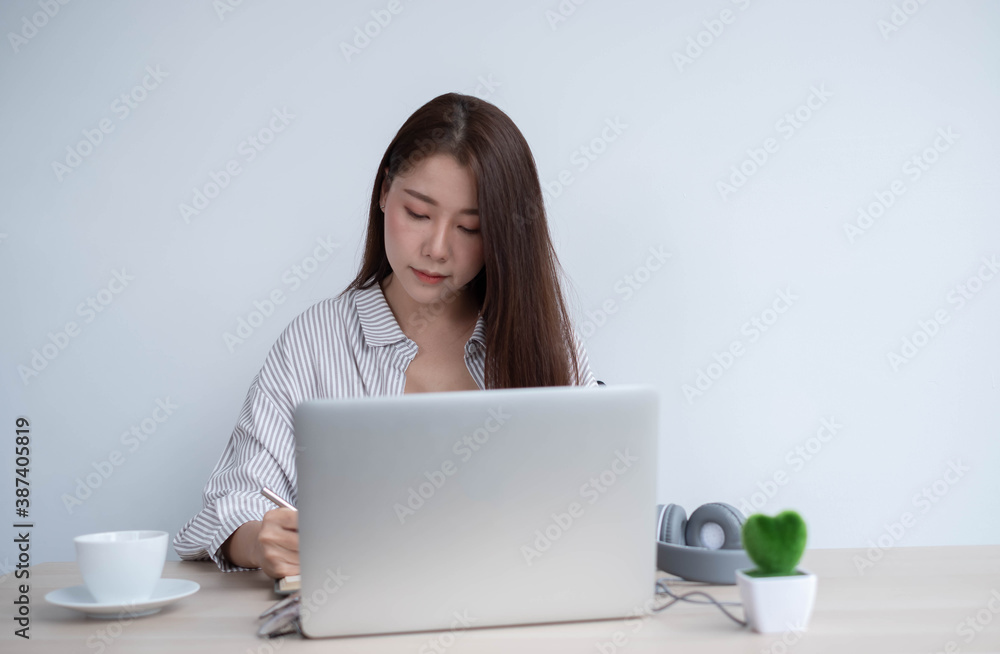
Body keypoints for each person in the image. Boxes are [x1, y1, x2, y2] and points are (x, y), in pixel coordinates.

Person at [172, 92, 599, 578]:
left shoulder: (546, 344)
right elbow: (231, 501)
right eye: (418, 214)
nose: (437, 249)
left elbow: (593, 506)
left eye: (470, 227)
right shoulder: (315, 341)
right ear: (383, 192)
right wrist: (257, 541)